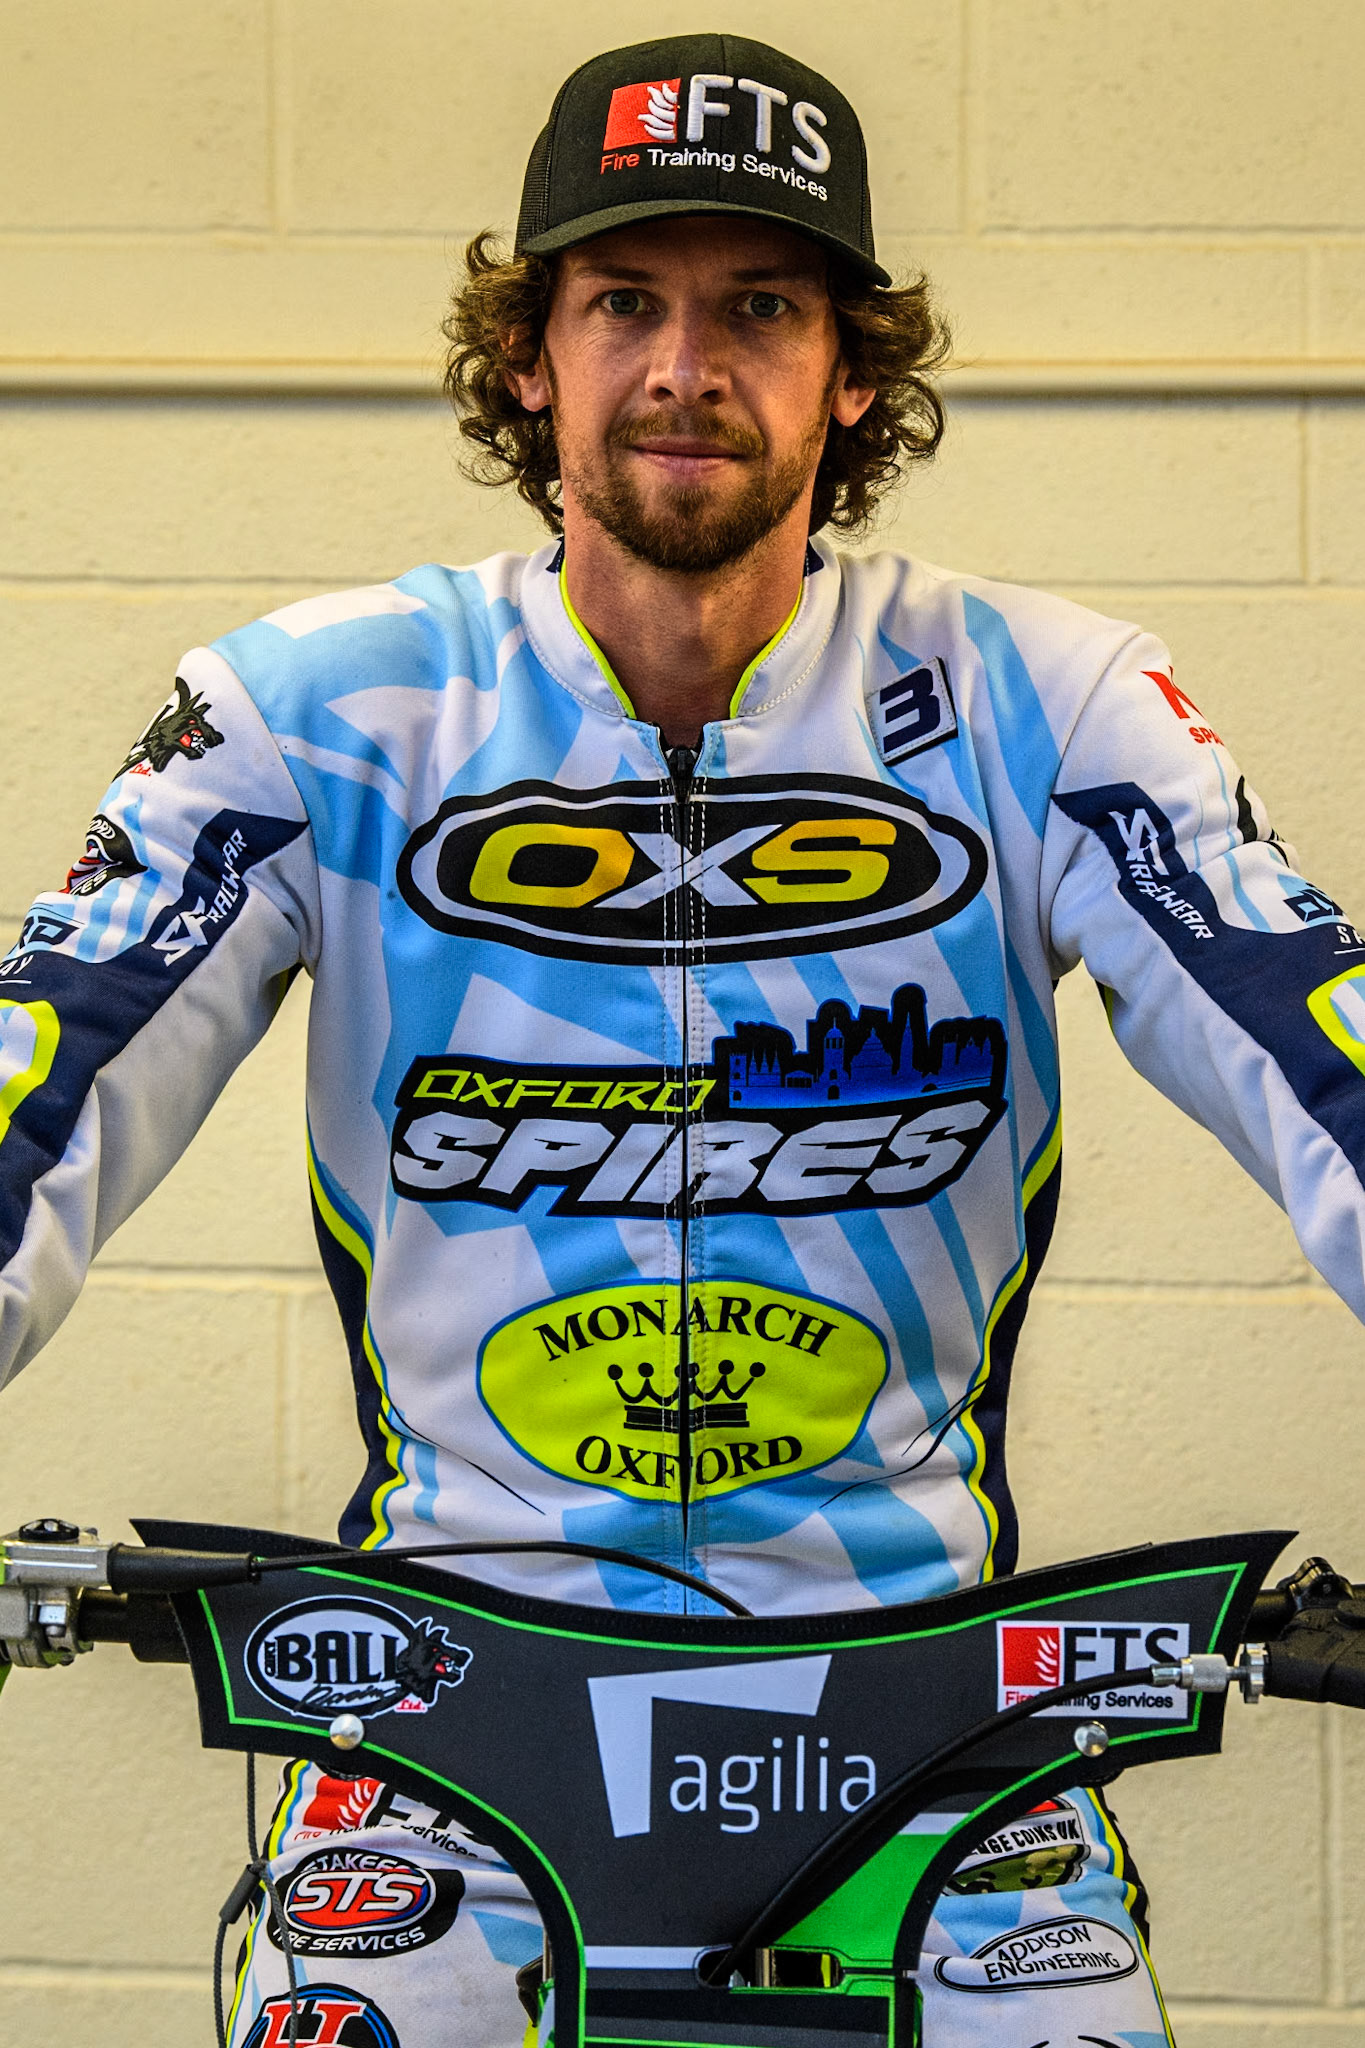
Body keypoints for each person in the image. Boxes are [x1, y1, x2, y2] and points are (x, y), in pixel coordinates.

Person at [2, 28, 1362, 2048]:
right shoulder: (319, 711)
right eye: (621, 300)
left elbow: (1325, 1067)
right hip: (442, 1701)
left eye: (759, 306)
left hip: (922, 1705)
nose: (683, 365)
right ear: (528, 355)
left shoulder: (1046, 702)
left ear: (852, 371)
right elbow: (42, 1089)